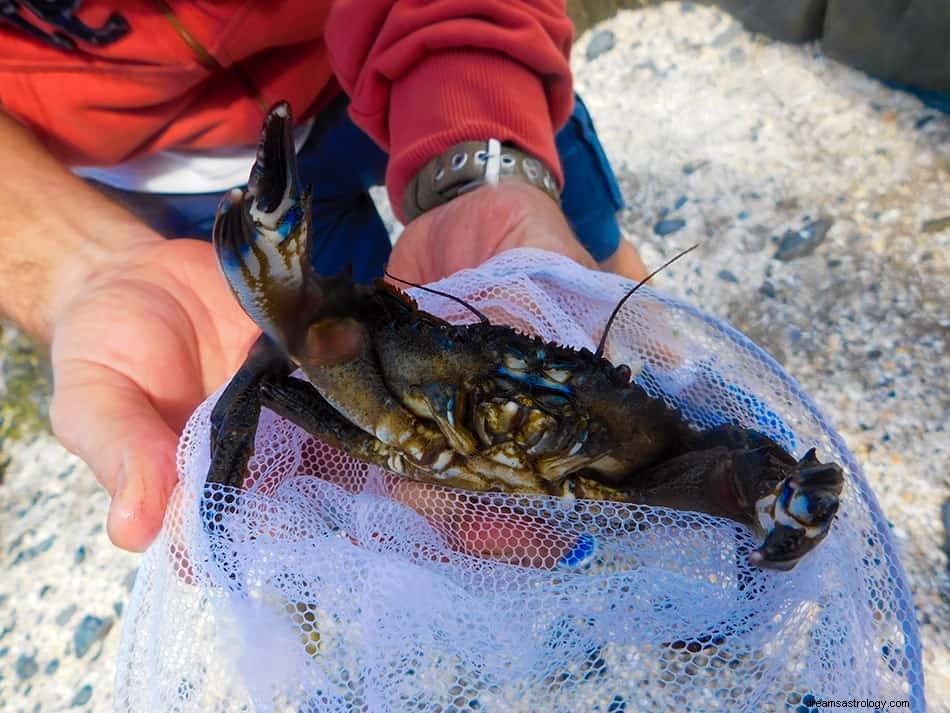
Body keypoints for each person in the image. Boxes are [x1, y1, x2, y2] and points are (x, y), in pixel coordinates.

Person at [0, 1, 646, 553]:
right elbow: (276, 381)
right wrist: (75, 260)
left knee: (598, 289)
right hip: (158, 170)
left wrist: (472, 112)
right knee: (306, 347)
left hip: (405, 51)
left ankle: (655, 354)